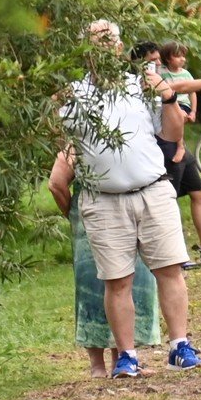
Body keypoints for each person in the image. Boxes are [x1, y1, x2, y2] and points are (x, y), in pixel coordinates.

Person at [62, 20, 201, 378]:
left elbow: (171, 133)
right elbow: (57, 134)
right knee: (117, 280)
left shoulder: (140, 86)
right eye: (95, 42)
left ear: (119, 48)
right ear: (85, 50)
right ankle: (126, 356)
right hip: (103, 199)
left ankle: (179, 346)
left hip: (152, 189)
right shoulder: (75, 94)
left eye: (109, 42)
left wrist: (168, 96)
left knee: (169, 269)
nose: (103, 48)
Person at [48, 150, 162, 376]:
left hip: (129, 214)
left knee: (129, 284)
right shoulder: (80, 143)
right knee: (93, 289)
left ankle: (122, 357)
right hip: (92, 219)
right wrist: (74, 212)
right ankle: (98, 365)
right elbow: (56, 183)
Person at [156, 41, 201, 264]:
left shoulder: (172, 75)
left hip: (179, 146)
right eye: (152, 61)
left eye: (157, 60)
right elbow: (181, 88)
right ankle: (175, 255)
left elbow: (188, 89)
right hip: (166, 148)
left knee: (200, 192)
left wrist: (193, 111)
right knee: (169, 201)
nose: (156, 64)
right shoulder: (153, 79)